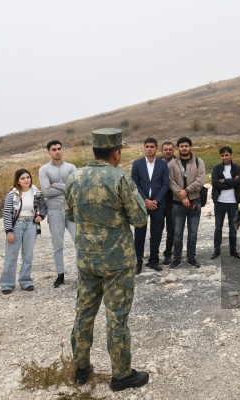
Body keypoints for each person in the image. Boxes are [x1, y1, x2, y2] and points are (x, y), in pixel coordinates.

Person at [65, 128, 149, 391]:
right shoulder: (119, 179)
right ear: (116, 152)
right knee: (117, 317)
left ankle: (81, 369)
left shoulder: (74, 178)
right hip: (117, 261)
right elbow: (140, 218)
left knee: (84, 313)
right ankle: (121, 375)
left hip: (87, 260)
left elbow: (70, 215)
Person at [0, 169, 48, 294]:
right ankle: (7, 284)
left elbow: (44, 207)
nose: (26, 180)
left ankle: (26, 282)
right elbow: (6, 214)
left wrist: (41, 216)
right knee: (11, 256)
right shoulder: (12, 194)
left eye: (28, 177)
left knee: (28, 255)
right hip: (16, 226)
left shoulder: (36, 192)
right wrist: (9, 231)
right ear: (17, 181)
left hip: (31, 225)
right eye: (23, 178)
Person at [39, 140, 77, 288]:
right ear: (49, 152)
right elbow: (46, 192)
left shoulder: (71, 167)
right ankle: (60, 274)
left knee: (78, 242)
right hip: (54, 211)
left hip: (72, 209)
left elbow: (76, 187)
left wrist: (57, 185)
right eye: (54, 149)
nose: (57, 151)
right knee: (57, 245)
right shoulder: (44, 169)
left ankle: (81, 273)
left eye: (59, 149)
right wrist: (67, 186)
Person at [131, 138, 169, 273]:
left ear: (156, 148)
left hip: (158, 204)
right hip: (142, 204)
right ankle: (138, 262)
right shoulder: (137, 163)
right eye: (147, 146)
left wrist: (156, 200)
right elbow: (134, 184)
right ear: (144, 148)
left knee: (156, 233)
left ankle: (153, 260)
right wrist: (145, 200)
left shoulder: (163, 164)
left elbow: (166, 184)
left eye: (152, 146)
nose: (149, 149)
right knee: (140, 233)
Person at [167, 137, 206, 268]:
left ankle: (191, 258)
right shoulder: (172, 164)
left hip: (195, 201)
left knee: (193, 233)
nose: (184, 148)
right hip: (177, 203)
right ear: (178, 148)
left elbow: (201, 180)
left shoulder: (198, 162)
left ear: (190, 147)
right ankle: (176, 258)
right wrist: (181, 194)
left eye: (186, 146)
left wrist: (187, 191)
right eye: (181, 146)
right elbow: (170, 181)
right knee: (177, 233)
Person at [210, 146, 240, 259]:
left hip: (233, 202)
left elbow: (239, 181)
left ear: (231, 155)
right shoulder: (216, 168)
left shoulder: (237, 167)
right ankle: (216, 250)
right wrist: (232, 183)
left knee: (233, 228)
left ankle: (233, 251)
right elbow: (215, 183)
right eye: (222, 155)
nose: (224, 157)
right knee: (218, 227)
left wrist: (223, 181)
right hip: (219, 201)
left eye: (226, 155)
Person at [160, 141, 176, 265]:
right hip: (158, 201)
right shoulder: (156, 163)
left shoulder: (179, 163)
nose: (168, 151)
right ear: (162, 151)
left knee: (171, 229)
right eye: (166, 149)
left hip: (174, 201)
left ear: (174, 150)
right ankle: (154, 255)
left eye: (170, 149)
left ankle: (168, 253)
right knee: (157, 229)